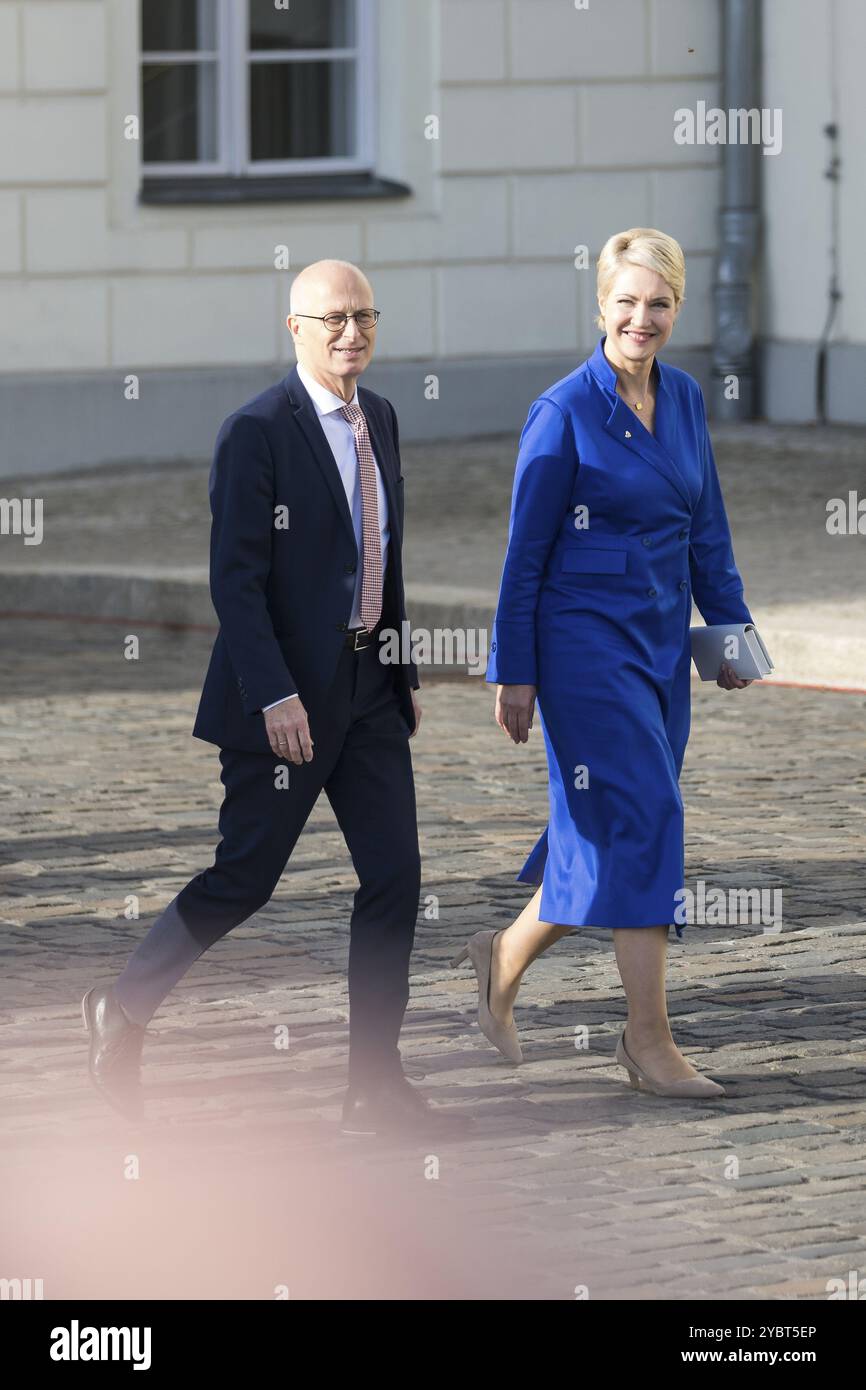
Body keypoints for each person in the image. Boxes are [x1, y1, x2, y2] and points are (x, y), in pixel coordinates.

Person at [83, 259, 465, 1137]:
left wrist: (400, 672)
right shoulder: (255, 431)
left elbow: (382, 560)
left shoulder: (385, 417)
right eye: (332, 319)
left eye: (365, 317)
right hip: (285, 702)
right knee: (244, 878)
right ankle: (121, 1009)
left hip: (369, 691)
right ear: (293, 329)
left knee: (396, 881)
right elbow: (236, 584)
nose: (351, 334)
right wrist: (276, 697)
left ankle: (373, 1081)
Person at [454, 228, 753, 1098]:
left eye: (658, 303)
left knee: (610, 832)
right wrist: (514, 672)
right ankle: (647, 1041)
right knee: (650, 814)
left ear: (676, 310)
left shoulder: (689, 399)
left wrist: (728, 633)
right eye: (626, 301)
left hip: (659, 647)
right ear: (600, 307)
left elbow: (708, 528)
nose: (641, 317)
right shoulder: (563, 411)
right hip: (583, 648)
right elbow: (524, 554)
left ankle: (500, 958)